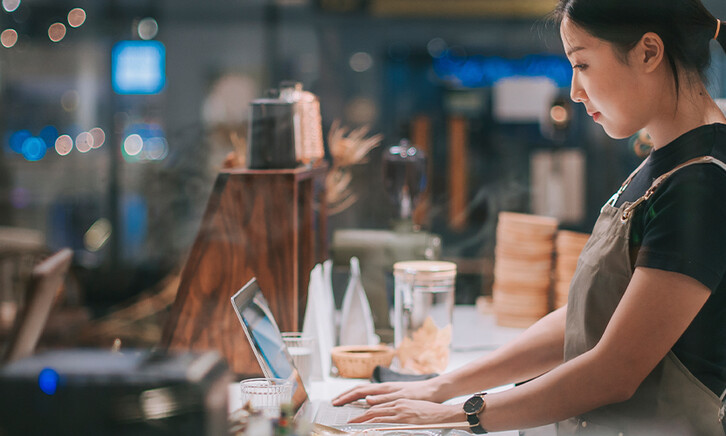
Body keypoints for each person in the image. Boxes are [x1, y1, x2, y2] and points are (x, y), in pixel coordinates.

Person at [332, 1, 726, 434]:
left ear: (649, 52)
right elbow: (587, 319)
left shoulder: (701, 185)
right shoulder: (664, 164)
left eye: (583, 64)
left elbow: (616, 370)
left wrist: (458, 412)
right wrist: (441, 386)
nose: (575, 90)